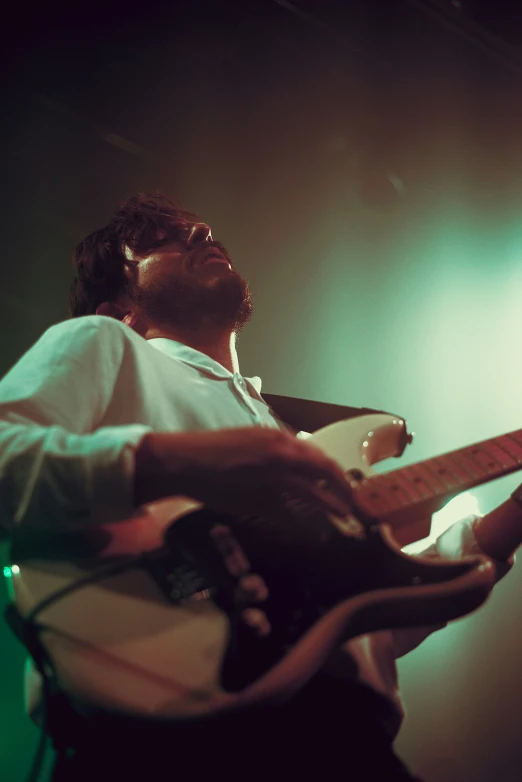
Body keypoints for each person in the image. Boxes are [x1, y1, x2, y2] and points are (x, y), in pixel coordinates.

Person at [1, 192, 521, 781]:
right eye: (160, 242)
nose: (201, 236)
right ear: (121, 309)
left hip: (346, 745)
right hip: (160, 742)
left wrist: (508, 521)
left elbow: (357, 622)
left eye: (201, 232)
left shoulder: (295, 436)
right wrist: (175, 461)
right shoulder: (104, 344)